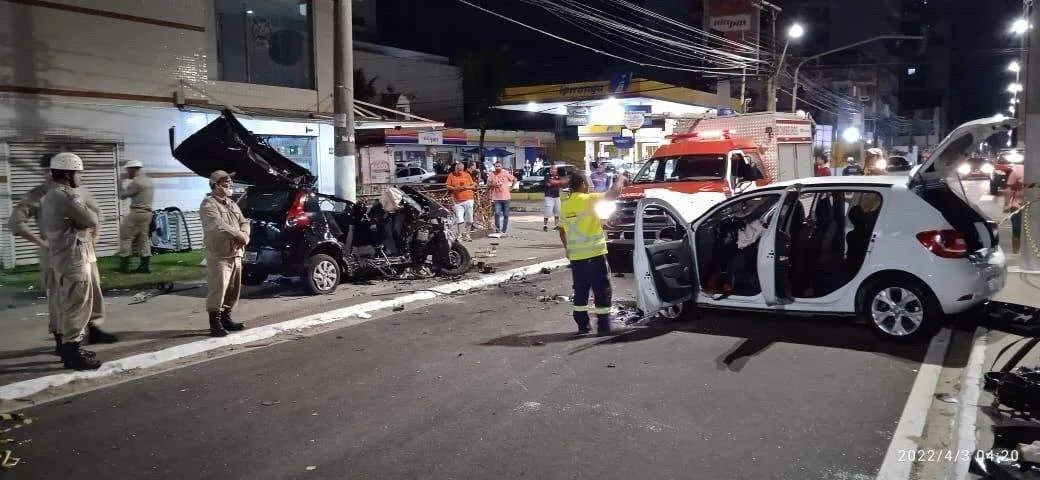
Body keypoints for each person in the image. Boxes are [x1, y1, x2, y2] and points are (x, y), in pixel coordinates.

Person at [10, 154, 115, 356]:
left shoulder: (76, 190)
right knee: (61, 298)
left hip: (81, 248)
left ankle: (92, 330)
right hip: (55, 251)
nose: (47, 174)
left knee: (90, 291)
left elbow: (97, 215)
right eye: (45, 170)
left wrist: (95, 238)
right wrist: (42, 243)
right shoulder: (38, 194)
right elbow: (16, 223)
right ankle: (64, 341)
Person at [39, 153, 110, 370]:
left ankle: (69, 348)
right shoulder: (68, 196)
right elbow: (90, 219)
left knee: (67, 302)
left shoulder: (50, 195)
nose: (79, 177)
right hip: (74, 256)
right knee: (78, 305)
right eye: (78, 173)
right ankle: (73, 352)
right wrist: (81, 223)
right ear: (69, 174)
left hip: (60, 256)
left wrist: (77, 223)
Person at [558, 172, 617, 335]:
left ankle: (583, 326)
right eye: (588, 183)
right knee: (602, 289)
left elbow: (562, 230)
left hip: (576, 257)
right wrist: (621, 180)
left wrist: (567, 249)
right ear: (583, 184)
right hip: (595, 252)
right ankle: (604, 327)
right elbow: (612, 195)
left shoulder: (566, 204)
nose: (590, 185)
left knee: (580, 290)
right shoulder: (590, 199)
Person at [200, 170, 249, 337]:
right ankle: (215, 323)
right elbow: (217, 225)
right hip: (219, 255)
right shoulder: (209, 204)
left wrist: (245, 235)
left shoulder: (232, 203)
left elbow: (244, 221)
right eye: (225, 182)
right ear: (216, 184)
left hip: (236, 253)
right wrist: (238, 235)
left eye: (230, 181)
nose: (229, 184)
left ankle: (227, 318)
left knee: (233, 289)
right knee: (218, 288)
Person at [117, 160, 155, 273]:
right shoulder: (148, 181)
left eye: (128, 170)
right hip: (147, 213)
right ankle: (145, 266)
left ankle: (124, 266)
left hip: (137, 212)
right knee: (143, 239)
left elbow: (122, 196)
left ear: (133, 169)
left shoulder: (136, 183)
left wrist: (119, 182)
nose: (127, 172)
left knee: (125, 237)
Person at [445, 162, 477, 241]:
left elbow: (473, 185)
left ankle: (467, 234)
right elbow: (447, 186)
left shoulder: (467, 175)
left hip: (468, 199)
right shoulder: (451, 175)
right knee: (460, 219)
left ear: (462, 169)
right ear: (455, 168)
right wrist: (455, 189)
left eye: (460, 170)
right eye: (458, 169)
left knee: (469, 219)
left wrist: (466, 187)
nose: (459, 171)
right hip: (457, 201)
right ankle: (459, 236)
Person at [488, 161, 516, 237]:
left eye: (499, 166)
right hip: (496, 198)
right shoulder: (492, 174)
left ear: (502, 167)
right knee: (497, 213)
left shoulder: (505, 173)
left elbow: (514, 179)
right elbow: (488, 184)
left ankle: (504, 230)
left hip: (506, 198)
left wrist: (511, 188)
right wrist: (493, 184)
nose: (497, 167)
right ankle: (497, 229)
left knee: (506, 215)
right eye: (496, 166)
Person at [1005, 163, 1025, 254]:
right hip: (1018, 206)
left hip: (1035, 206)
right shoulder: (1017, 171)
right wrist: (1007, 204)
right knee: (1017, 230)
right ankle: (1016, 253)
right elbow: (1009, 188)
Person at [543, 166, 564, 232]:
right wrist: (556, 182)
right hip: (549, 196)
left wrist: (556, 182)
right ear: (550, 170)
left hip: (557, 196)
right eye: (552, 169)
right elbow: (549, 184)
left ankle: (556, 225)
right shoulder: (547, 176)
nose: (553, 170)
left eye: (555, 169)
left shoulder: (558, 176)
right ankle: (545, 225)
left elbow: (561, 183)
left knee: (557, 211)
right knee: (548, 211)